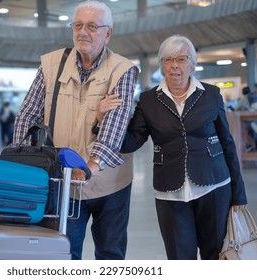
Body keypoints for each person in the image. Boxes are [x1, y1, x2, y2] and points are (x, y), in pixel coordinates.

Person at [98, 34, 248, 260]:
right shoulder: (148, 100)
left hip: (214, 187)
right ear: (161, 65)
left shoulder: (211, 95)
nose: (174, 66)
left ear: (192, 64)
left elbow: (227, 143)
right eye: (168, 60)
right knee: (179, 258)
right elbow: (132, 141)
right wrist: (103, 121)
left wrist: (239, 195)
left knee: (215, 255)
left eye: (181, 59)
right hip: (170, 192)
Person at [11, 0, 138, 260]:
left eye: (92, 26)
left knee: (110, 254)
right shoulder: (51, 64)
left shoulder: (122, 69)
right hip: (63, 181)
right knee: (64, 253)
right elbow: (28, 114)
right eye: (78, 25)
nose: (83, 32)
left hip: (109, 182)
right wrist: (19, 156)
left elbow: (115, 123)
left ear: (108, 33)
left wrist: (91, 166)